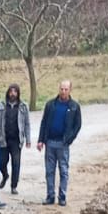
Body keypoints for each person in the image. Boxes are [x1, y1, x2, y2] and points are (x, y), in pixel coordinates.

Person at [36, 79, 82, 207]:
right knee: (49, 171)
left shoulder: (74, 107)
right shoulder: (50, 105)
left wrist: (69, 139)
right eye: (62, 89)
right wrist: (41, 140)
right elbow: (44, 122)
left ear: (70, 90)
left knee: (63, 170)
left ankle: (62, 196)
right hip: (50, 142)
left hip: (63, 144)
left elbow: (77, 125)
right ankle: (50, 196)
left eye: (66, 89)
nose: (63, 91)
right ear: (59, 89)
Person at [0, 83, 31, 194]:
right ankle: (5, 175)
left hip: (16, 140)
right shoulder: (1, 106)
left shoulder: (23, 106)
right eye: (11, 91)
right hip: (3, 139)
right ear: (8, 93)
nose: (13, 94)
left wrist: (28, 139)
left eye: (15, 91)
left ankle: (13, 186)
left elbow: (27, 124)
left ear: (18, 93)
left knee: (16, 163)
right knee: (1, 162)